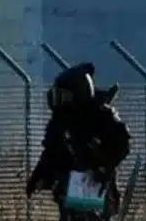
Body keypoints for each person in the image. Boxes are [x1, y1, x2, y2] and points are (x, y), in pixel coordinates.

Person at [26, 63, 131, 220]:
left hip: (95, 185)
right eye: (58, 95)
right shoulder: (59, 121)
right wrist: (39, 176)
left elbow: (121, 144)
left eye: (64, 96)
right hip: (68, 188)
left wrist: (104, 165)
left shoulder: (101, 116)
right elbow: (51, 152)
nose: (60, 101)